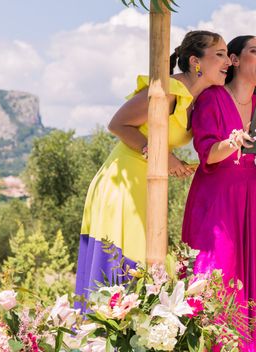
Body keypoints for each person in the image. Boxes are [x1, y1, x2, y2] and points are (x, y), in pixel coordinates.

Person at [75, 30, 230, 300]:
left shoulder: (197, 100)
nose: (228, 61)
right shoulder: (168, 91)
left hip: (149, 183)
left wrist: (174, 161)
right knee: (125, 261)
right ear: (196, 61)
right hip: (123, 182)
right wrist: (161, 156)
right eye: (220, 54)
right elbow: (117, 124)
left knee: (145, 263)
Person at [182, 35, 256, 352]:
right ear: (235, 60)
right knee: (217, 275)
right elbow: (207, 153)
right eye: (255, 51)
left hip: (251, 197)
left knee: (250, 283)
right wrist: (233, 142)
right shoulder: (212, 98)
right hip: (216, 199)